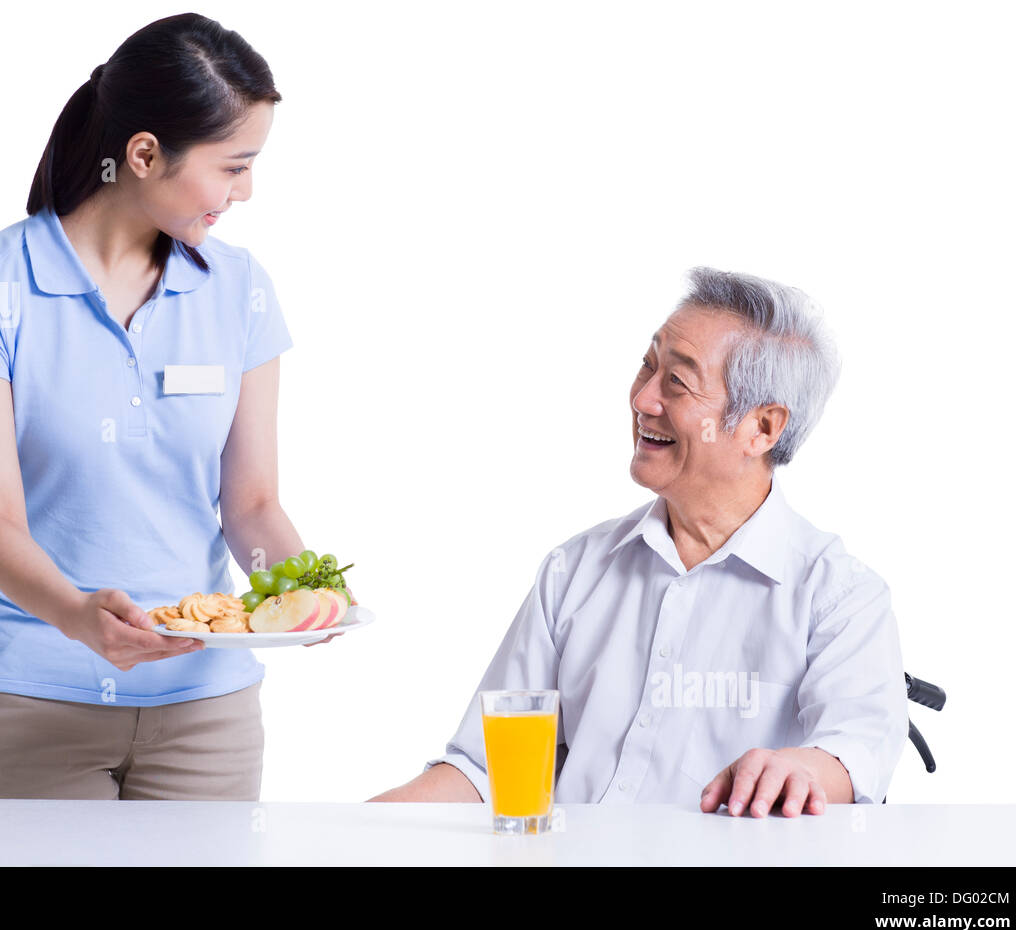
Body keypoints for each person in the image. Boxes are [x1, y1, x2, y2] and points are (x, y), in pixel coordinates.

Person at [0, 13, 323, 800]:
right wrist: (77, 616)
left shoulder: (239, 289)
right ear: (143, 155)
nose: (247, 191)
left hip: (207, 711)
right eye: (233, 166)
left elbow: (252, 504)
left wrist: (301, 591)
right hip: (36, 699)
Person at [372, 267, 909, 816]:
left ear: (763, 428)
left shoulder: (839, 595)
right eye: (648, 367)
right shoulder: (574, 570)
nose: (644, 398)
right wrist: (349, 829)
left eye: (677, 382)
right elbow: (486, 773)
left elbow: (855, 751)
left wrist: (800, 768)